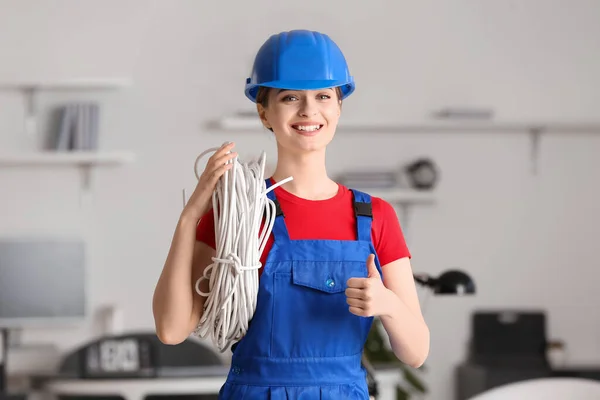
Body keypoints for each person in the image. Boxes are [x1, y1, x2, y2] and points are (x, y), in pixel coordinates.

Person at [153, 29, 430, 399]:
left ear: (339, 106)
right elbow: (172, 330)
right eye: (290, 97)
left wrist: (388, 305)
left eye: (322, 96)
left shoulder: (375, 216)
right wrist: (190, 219)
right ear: (264, 111)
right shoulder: (241, 215)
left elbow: (416, 352)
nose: (308, 111)